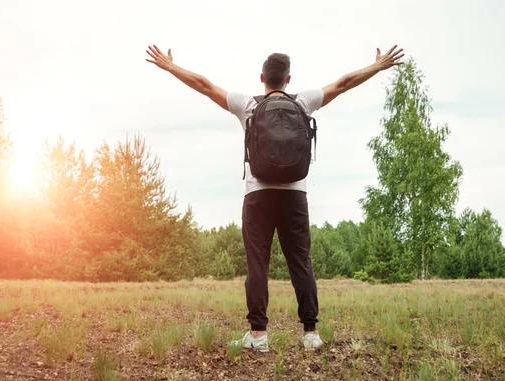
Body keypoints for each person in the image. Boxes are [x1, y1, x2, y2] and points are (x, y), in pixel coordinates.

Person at [146, 44, 404, 352]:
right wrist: (375, 67)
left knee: (258, 265)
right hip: (295, 195)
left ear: (262, 78)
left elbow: (204, 86)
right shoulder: (304, 102)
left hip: (258, 196)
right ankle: (310, 334)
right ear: (288, 79)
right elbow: (343, 83)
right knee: (301, 263)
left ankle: (258, 335)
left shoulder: (247, 105)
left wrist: (172, 67)